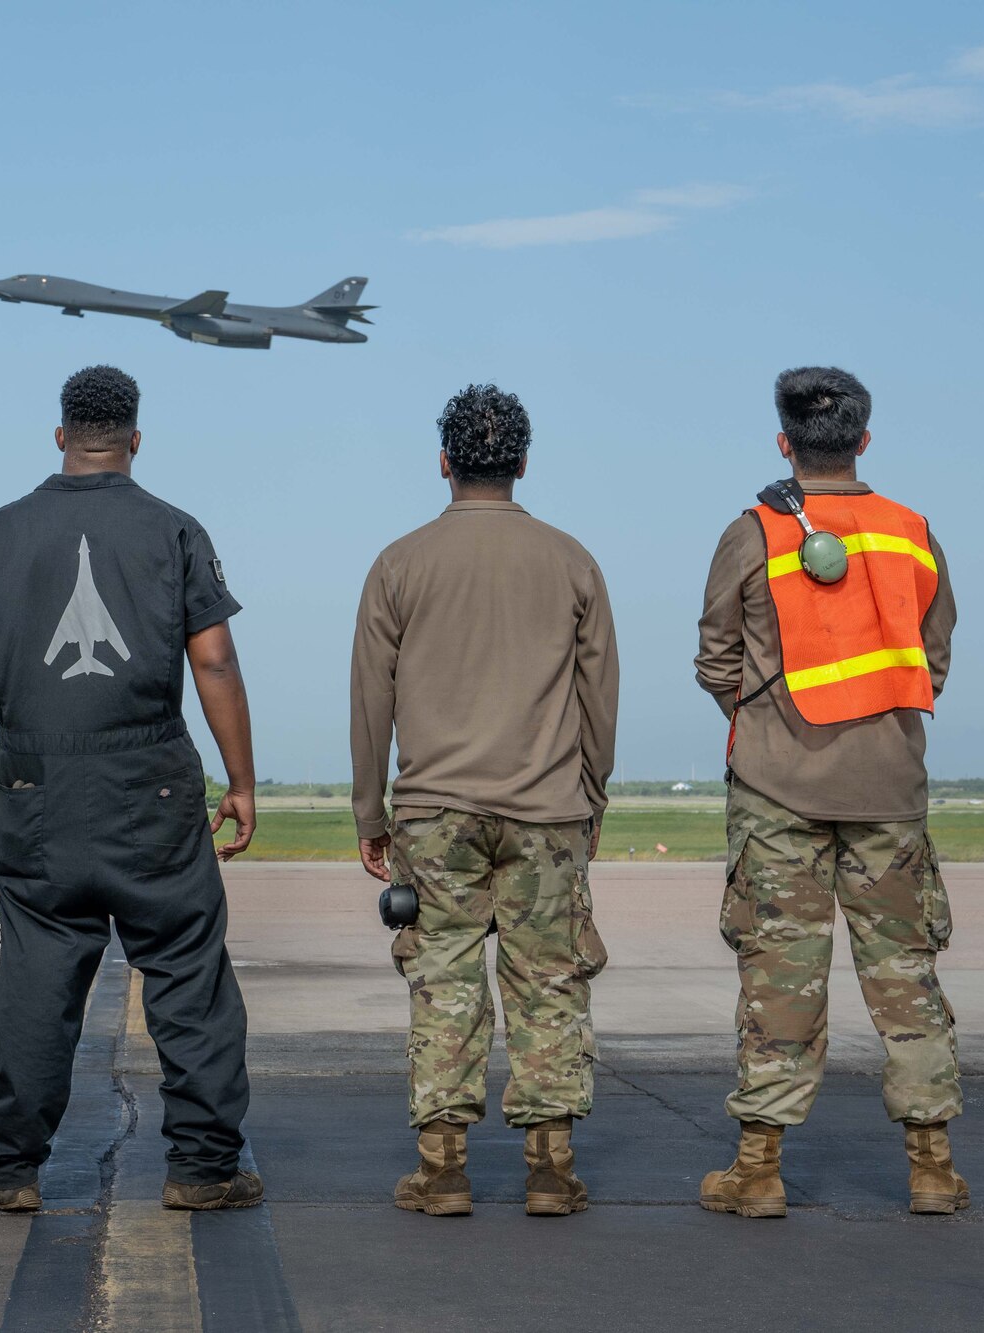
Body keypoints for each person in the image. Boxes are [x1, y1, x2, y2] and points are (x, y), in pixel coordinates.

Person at [0, 365, 262, 1214]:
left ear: (60, 436)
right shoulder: (175, 531)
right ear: (134, 439)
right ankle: (202, 1168)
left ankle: (8, 1169)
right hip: (147, 784)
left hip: (31, 783)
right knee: (187, 971)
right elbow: (214, 659)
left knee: (36, 982)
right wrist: (240, 780)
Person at [694, 366, 963, 1219]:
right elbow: (935, 658)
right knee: (905, 976)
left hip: (778, 789)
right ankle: (930, 1167)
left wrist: (770, 728)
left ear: (785, 442)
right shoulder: (912, 531)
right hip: (889, 787)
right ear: (863, 440)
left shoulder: (755, 531)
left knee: (779, 975)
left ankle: (759, 1169)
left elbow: (715, 660)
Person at [350, 383, 618, 1220]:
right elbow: (598, 697)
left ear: (444, 462)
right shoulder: (572, 559)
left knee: (444, 982)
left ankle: (444, 1169)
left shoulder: (398, 563)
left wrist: (371, 815)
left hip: (433, 811)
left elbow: (370, 701)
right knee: (550, 984)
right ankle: (549, 1170)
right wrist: (591, 803)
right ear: (523, 463)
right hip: (547, 810)